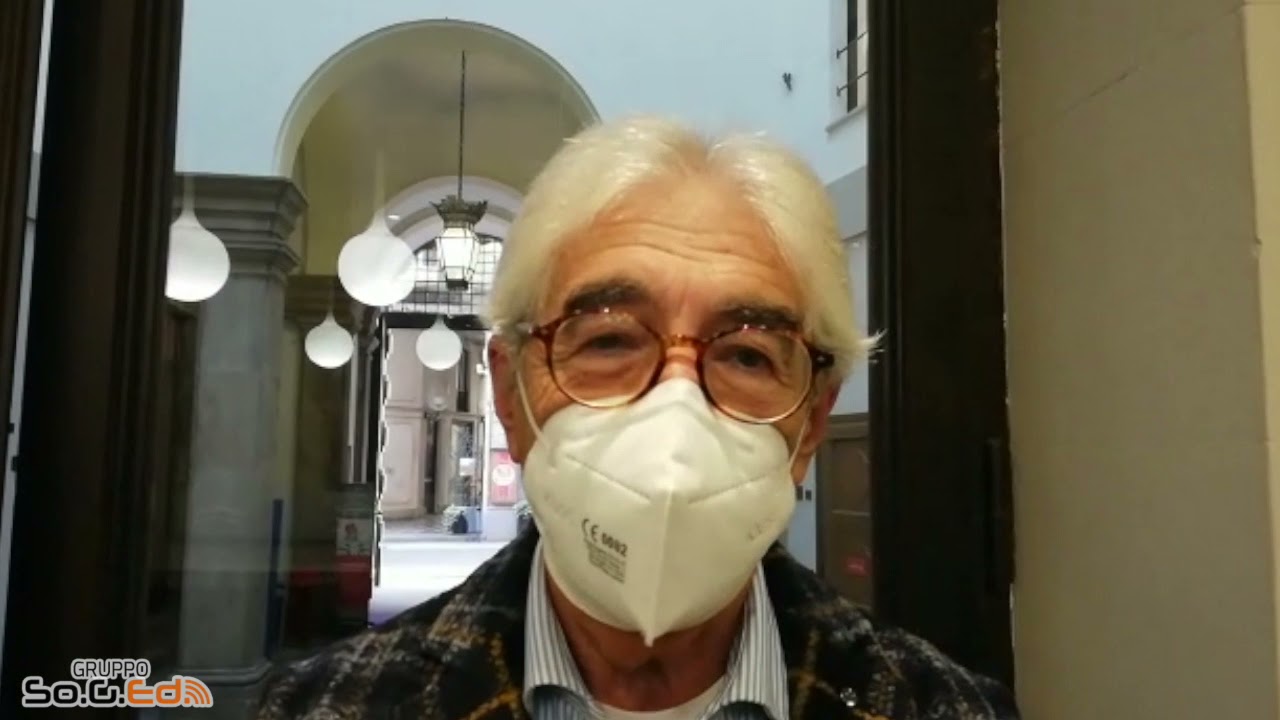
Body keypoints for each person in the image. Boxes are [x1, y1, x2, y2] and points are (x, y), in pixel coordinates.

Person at [256, 116, 1019, 719]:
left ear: (812, 422)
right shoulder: (332, 707)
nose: (673, 420)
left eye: (747, 354)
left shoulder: (941, 707)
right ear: (512, 396)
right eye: (610, 340)